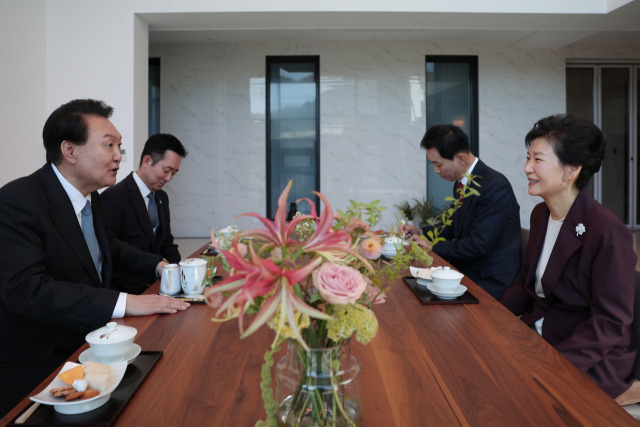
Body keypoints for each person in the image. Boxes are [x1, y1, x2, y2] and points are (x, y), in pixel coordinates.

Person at [0, 99, 189, 416]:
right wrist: (125, 301)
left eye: (119, 146)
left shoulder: (91, 200)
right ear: (70, 151)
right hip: (36, 366)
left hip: (89, 350)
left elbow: (109, 248)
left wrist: (157, 264)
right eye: (109, 145)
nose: (118, 156)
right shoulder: (18, 201)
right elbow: (27, 290)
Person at [501, 114, 639, 404]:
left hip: (588, 357)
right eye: (528, 158)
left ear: (572, 170)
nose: (527, 168)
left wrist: (556, 364)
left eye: (538, 160)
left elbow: (610, 322)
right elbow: (526, 285)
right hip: (542, 337)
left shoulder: (607, 231)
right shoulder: (541, 214)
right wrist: (491, 316)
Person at [401, 125, 521, 300]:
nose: (435, 170)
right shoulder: (461, 183)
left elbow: (479, 244)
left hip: (490, 279)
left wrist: (432, 247)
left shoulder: (495, 186)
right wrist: (421, 232)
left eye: (438, 164)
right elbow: (452, 225)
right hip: (467, 269)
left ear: (460, 159)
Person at [101, 134, 187, 294]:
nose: (168, 178)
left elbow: (166, 242)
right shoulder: (114, 197)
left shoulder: (161, 197)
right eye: (166, 170)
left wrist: (179, 273)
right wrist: (156, 265)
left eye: (174, 173)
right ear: (147, 161)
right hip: (129, 290)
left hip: (160, 285)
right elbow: (110, 248)